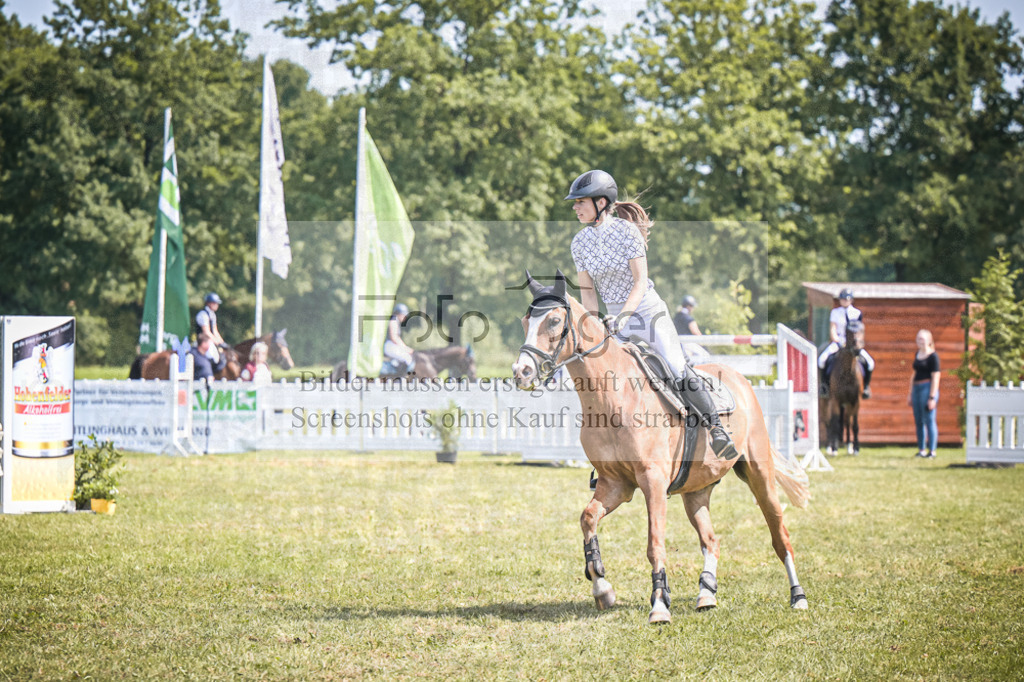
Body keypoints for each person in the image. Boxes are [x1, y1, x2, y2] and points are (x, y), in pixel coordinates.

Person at [566, 169, 736, 459]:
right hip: (613, 319)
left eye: (581, 201)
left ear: (601, 202)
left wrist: (623, 317)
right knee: (606, 378)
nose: (575, 207)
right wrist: (592, 326)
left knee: (676, 366)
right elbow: (589, 293)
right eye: (576, 202)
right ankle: (608, 459)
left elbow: (640, 282)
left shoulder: (627, 232)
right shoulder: (579, 243)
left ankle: (716, 429)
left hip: (647, 311)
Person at [817, 288, 874, 398]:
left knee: (870, 362)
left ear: (851, 300)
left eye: (847, 299)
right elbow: (833, 328)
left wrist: (857, 343)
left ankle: (866, 387)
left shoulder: (857, 313)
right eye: (843, 299)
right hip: (839, 341)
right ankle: (824, 386)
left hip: (853, 343)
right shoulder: (835, 312)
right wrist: (836, 340)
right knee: (822, 360)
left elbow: (859, 330)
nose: (845, 301)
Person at [908, 329, 940, 458]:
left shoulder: (933, 356)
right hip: (916, 389)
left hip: (927, 388)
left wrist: (932, 397)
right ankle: (922, 449)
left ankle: (932, 451)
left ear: (929, 340)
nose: (920, 341)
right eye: (918, 338)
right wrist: (910, 393)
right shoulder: (917, 354)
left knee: (929, 420)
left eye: (922, 338)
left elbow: (936, 377)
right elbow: (914, 374)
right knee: (919, 420)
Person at [672, 294, 711, 365]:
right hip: (688, 343)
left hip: (677, 343)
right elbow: (696, 332)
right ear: (688, 306)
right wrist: (703, 343)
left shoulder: (676, 317)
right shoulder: (689, 319)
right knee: (706, 357)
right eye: (692, 307)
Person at [383, 303, 415, 374]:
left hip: (391, 345)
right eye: (404, 315)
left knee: (404, 359)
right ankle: (405, 377)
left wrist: (405, 347)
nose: (405, 317)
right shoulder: (393, 320)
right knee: (408, 358)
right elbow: (394, 337)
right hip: (389, 345)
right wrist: (406, 348)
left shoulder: (395, 320)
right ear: (399, 314)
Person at [195, 292, 227, 363]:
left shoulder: (213, 315)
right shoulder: (203, 314)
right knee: (214, 357)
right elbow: (206, 332)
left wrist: (222, 342)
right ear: (209, 303)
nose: (217, 305)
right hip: (202, 342)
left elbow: (215, 331)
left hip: (210, 340)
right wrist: (216, 341)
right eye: (215, 303)